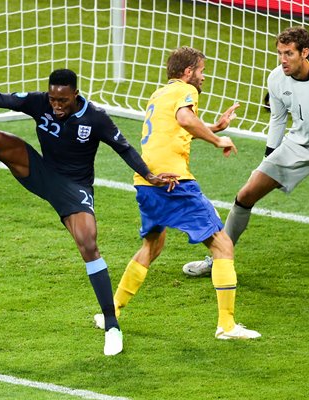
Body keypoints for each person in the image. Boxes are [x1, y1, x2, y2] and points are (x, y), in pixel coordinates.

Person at [0, 69, 178, 356]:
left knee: (88, 244)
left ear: (75, 95)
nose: (56, 105)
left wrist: (150, 175)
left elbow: (124, 148)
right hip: (40, 172)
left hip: (74, 188)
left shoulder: (95, 117)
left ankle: (112, 326)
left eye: (62, 100)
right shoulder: (39, 102)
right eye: (53, 99)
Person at [183, 27, 309, 294]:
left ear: (305, 53)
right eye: (279, 53)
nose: (283, 59)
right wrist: (268, 161)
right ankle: (218, 259)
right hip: (297, 144)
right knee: (245, 194)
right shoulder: (277, 79)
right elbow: (278, 121)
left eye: (289, 53)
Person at [94, 47, 261, 340]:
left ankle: (112, 311)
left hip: (147, 179)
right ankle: (226, 325)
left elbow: (175, 127)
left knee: (152, 247)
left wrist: (213, 126)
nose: (203, 77)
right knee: (223, 245)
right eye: (202, 71)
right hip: (175, 182)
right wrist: (216, 139)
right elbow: (185, 119)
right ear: (188, 72)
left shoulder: (159, 94)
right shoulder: (186, 91)